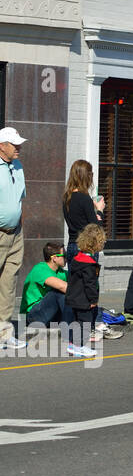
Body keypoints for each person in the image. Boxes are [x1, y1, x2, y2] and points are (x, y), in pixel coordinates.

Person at [66, 224, 118, 356]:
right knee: (86, 323)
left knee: (77, 321)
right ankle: (79, 346)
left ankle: (72, 344)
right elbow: (90, 284)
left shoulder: (77, 258)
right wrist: (94, 299)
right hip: (84, 299)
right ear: (97, 243)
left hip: (74, 297)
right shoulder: (89, 263)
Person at [0, 125, 28, 350]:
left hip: (15, 234)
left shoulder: (17, 166)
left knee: (8, 283)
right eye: (14, 144)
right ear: (2, 146)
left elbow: (20, 200)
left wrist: (19, 226)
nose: (19, 147)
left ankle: (4, 332)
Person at [62, 159, 105, 259]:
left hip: (72, 245)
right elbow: (95, 227)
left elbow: (77, 219)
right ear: (87, 177)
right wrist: (100, 210)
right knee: (89, 274)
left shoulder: (66, 198)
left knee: (73, 275)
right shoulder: (85, 198)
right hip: (86, 248)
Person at [22, 242, 67, 331]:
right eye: (64, 255)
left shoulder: (61, 272)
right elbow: (64, 288)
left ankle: (95, 322)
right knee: (57, 293)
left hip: (50, 315)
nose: (67, 258)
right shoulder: (39, 269)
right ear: (54, 258)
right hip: (33, 317)